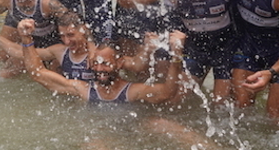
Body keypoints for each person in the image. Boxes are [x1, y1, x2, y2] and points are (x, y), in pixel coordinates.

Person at [111, 0, 236, 105]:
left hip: (225, 46)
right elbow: (129, 1)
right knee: (175, 103)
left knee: (221, 105)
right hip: (196, 46)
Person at [17, 18, 188, 104]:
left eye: (105, 64)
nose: (99, 68)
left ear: (119, 63)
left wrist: (176, 55)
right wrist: (26, 38)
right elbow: (37, 73)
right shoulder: (83, 89)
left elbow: (167, 92)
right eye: (95, 63)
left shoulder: (132, 91)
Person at [0, 12, 95, 81]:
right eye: (62, 36)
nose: (66, 41)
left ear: (83, 30)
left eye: (70, 35)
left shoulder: (99, 54)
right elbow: (20, 52)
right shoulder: (60, 51)